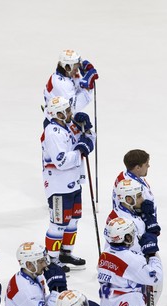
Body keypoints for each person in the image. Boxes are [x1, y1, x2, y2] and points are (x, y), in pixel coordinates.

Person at [41, 96, 96, 272]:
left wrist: (87, 129)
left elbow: (88, 141)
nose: (70, 113)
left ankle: (65, 253)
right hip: (58, 186)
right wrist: (80, 149)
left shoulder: (68, 125)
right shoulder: (52, 134)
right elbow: (61, 161)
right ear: (57, 114)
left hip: (73, 183)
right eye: (66, 111)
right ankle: (52, 259)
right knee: (58, 223)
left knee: (73, 220)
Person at [43, 49, 98, 125]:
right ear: (67, 67)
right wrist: (87, 87)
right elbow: (73, 108)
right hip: (55, 123)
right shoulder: (60, 83)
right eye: (75, 69)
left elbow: (77, 89)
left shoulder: (68, 75)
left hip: (64, 120)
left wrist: (86, 78)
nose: (77, 71)